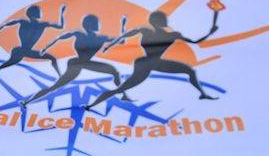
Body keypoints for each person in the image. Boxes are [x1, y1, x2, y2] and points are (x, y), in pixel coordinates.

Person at [85, 7, 221, 109]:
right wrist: (111, 45)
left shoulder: (171, 34)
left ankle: (202, 94)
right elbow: (126, 35)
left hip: (152, 62)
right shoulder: (154, 32)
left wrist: (210, 32)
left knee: (190, 71)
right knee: (120, 89)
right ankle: (91, 105)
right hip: (146, 63)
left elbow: (195, 41)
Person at [24, 13, 127, 106]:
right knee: (55, 87)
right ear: (87, 24)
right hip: (76, 63)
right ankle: (27, 101)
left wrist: (123, 26)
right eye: (94, 23)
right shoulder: (79, 34)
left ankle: (123, 94)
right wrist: (45, 48)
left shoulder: (101, 38)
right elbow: (60, 37)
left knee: (115, 72)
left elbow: (121, 42)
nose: (97, 24)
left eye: (97, 22)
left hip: (85, 63)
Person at [0, 4, 67, 88]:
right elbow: (6, 24)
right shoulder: (25, 22)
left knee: (0, 67)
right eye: (38, 11)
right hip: (21, 50)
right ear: (32, 13)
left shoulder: (42, 24)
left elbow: (60, 26)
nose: (40, 12)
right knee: (52, 58)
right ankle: (61, 77)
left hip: (22, 51)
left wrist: (61, 13)